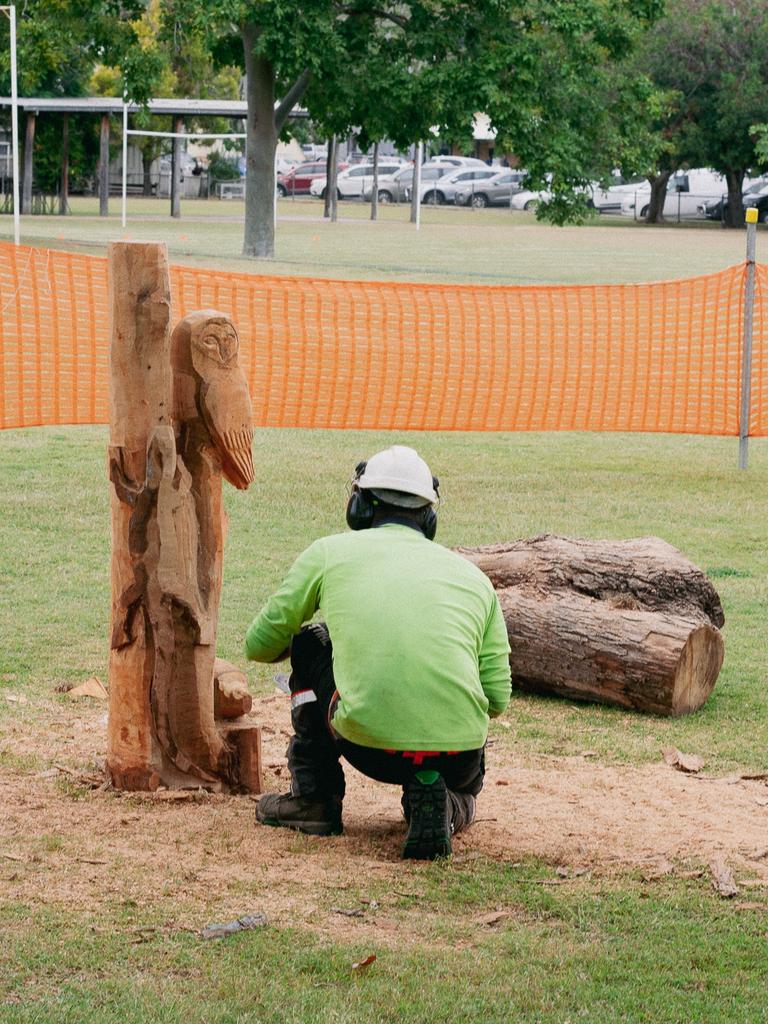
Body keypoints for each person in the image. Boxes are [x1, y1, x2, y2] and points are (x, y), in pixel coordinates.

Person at [244, 445, 511, 859]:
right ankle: (449, 807)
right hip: (459, 756)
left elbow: (258, 645)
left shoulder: (329, 554)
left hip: (369, 749)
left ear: (359, 507)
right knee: (449, 759)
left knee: (309, 642)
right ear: (430, 517)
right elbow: (496, 699)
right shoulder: (474, 579)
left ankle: (315, 798)